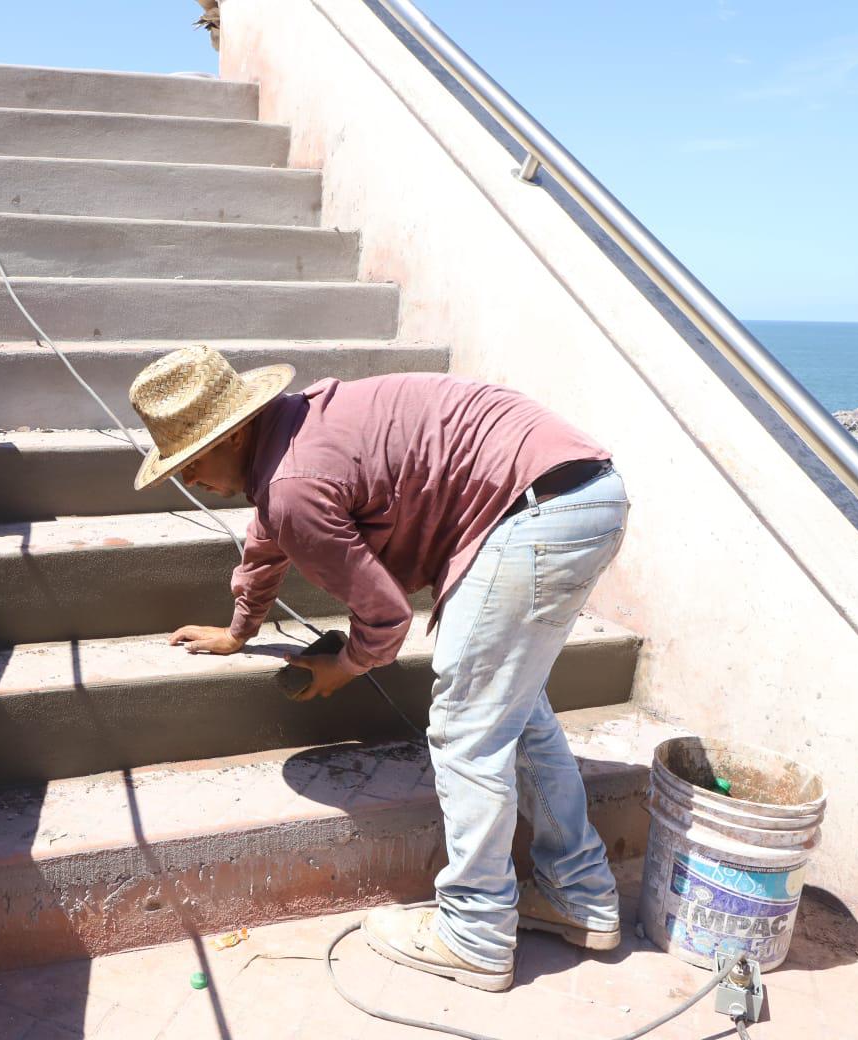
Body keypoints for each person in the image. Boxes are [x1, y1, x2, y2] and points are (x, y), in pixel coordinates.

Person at [128, 345, 631, 993]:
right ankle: (579, 893)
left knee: (467, 727)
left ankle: (476, 934)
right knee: (517, 712)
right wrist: (238, 631)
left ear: (236, 431)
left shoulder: (292, 481)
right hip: (579, 493)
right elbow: (264, 541)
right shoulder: (298, 432)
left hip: (533, 513)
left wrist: (346, 666)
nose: (189, 478)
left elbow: (385, 617)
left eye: (194, 457)